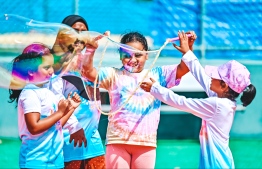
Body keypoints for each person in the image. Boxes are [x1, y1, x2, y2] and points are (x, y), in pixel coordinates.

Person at [140, 31, 256, 168]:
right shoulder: (223, 99)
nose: (211, 77)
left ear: (224, 86)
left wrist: (155, 88)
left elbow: (182, 102)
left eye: (215, 76)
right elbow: (201, 75)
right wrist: (187, 52)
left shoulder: (218, 105)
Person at [80, 31, 196, 168]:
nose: (132, 59)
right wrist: (90, 50)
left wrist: (188, 50)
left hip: (145, 144)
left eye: (138, 55)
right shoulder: (113, 75)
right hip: (117, 142)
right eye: (126, 55)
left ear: (147, 55)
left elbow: (185, 68)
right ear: (120, 56)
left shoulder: (158, 75)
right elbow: (87, 72)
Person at [8, 43, 81, 169]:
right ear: (31, 71)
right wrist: (59, 112)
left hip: (54, 162)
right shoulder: (30, 94)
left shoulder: (47, 92)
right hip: (36, 162)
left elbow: (56, 127)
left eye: (51, 66)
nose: (52, 71)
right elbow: (34, 127)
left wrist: (70, 109)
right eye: (46, 67)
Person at [47, 15, 105, 169]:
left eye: (83, 31)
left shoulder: (84, 60)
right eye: (74, 31)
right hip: (70, 137)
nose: (79, 35)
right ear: (62, 36)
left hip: (92, 136)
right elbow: (56, 99)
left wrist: (91, 50)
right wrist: (74, 127)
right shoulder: (56, 63)